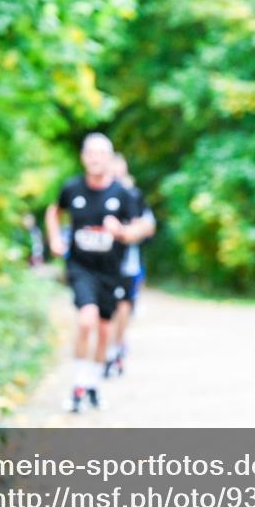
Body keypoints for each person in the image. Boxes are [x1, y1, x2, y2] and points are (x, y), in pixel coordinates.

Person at [44, 133, 152, 412]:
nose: (95, 158)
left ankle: (91, 384)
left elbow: (144, 226)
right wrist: (55, 239)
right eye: (90, 153)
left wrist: (124, 232)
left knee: (105, 330)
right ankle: (78, 384)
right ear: (83, 157)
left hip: (111, 271)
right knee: (86, 320)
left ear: (109, 158)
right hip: (81, 267)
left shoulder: (123, 194)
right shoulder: (72, 189)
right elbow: (53, 212)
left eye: (100, 153)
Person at [105, 153, 156, 377]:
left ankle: (116, 347)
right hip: (101, 261)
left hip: (127, 260)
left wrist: (128, 233)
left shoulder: (134, 196)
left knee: (123, 305)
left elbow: (148, 225)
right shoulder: (97, 193)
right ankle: (107, 349)